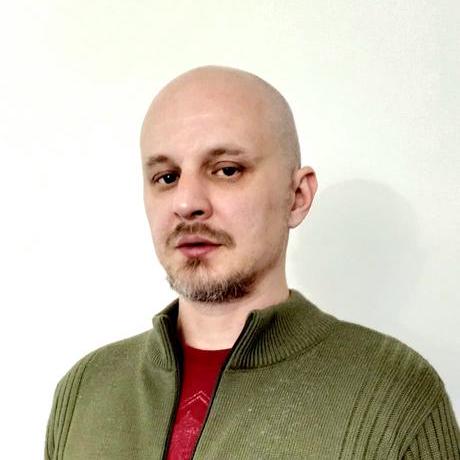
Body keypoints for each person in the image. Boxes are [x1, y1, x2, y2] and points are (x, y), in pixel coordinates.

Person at [45, 66, 459, 460]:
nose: (186, 203)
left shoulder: (394, 395)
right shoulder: (85, 390)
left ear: (297, 196)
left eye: (227, 170)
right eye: (167, 177)